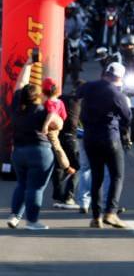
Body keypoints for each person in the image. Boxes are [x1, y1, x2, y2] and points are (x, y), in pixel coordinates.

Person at [7, 56, 61, 230]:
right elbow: (58, 123)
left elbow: (20, 84)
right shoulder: (42, 110)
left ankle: (15, 216)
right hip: (40, 152)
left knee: (22, 184)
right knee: (35, 188)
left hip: (18, 152)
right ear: (38, 96)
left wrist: (28, 64)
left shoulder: (17, 106)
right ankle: (32, 221)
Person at [78, 62, 132, 228]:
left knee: (97, 177)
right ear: (120, 78)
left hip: (89, 137)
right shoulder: (116, 94)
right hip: (109, 137)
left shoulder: (89, 86)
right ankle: (111, 213)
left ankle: (96, 217)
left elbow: (76, 95)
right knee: (117, 175)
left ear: (105, 74)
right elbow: (127, 117)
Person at [52, 80, 84, 209]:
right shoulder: (80, 102)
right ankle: (69, 197)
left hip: (58, 136)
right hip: (71, 138)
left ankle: (58, 195)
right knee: (76, 167)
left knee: (58, 166)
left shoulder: (61, 98)